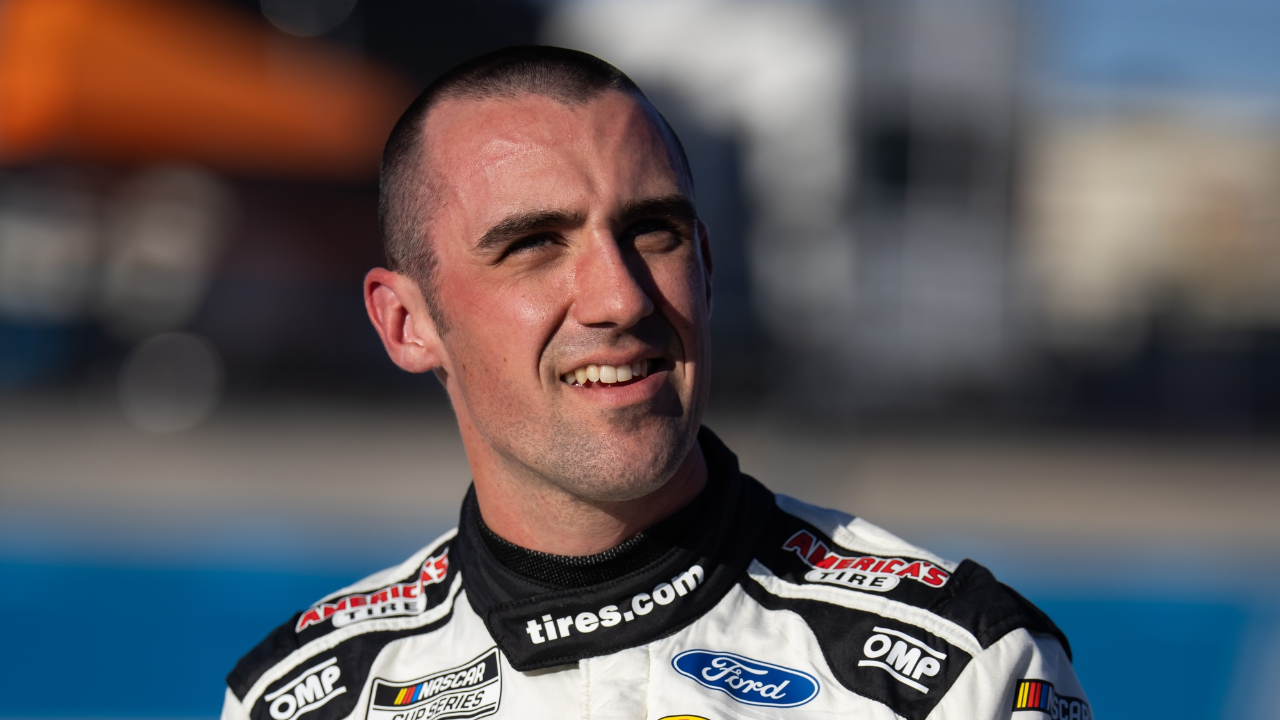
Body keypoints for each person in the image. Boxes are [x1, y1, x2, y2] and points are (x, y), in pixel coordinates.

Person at [221, 46, 1089, 720]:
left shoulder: (964, 675)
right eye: (532, 244)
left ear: (707, 268)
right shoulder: (302, 697)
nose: (619, 296)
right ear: (407, 325)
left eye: (653, 231)